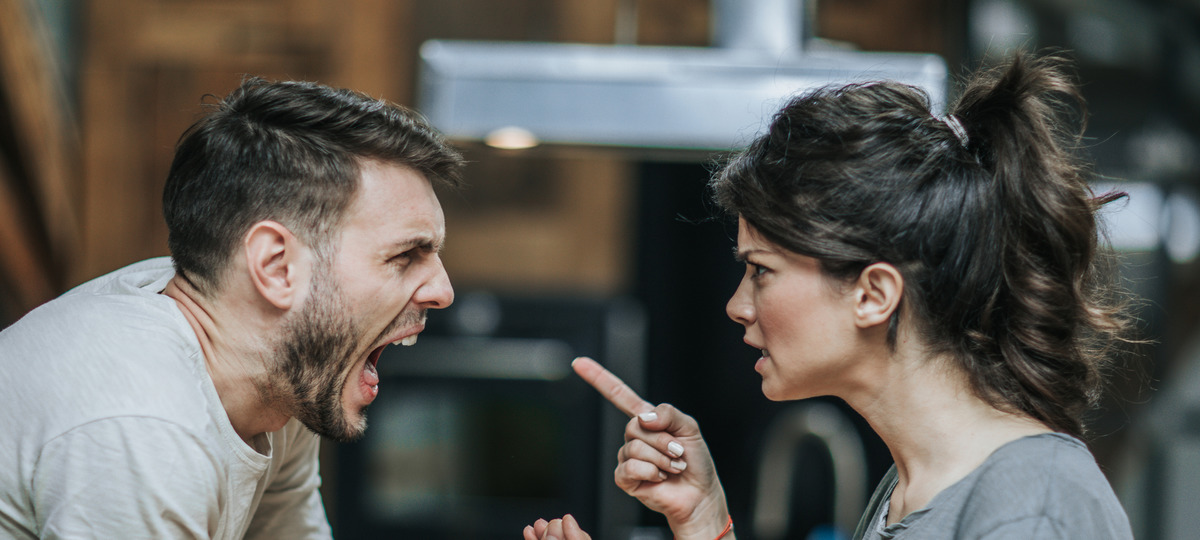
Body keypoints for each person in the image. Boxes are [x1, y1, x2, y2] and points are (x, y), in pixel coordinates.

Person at [525, 51, 1135, 540]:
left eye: (760, 270)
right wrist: (706, 521)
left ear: (873, 293)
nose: (737, 306)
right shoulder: (911, 488)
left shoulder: (1032, 508)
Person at [0, 77, 464, 538]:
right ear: (276, 266)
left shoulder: (282, 372)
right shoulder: (143, 424)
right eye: (406, 255)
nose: (443, 291)